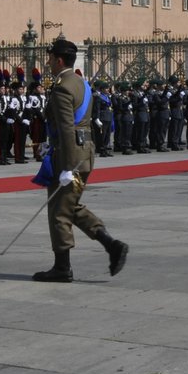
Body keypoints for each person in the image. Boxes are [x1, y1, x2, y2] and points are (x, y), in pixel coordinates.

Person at [32, 39, 128, 283]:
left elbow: (66, 128)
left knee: (58, 212)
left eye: (51, 58)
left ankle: (62, 268)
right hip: (84, 155)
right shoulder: (81, 83)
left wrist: (66, 167)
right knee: (69, 206)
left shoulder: (63, 86)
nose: (48, 62)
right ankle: (111, 244)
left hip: (70, 158)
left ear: (59, 60)